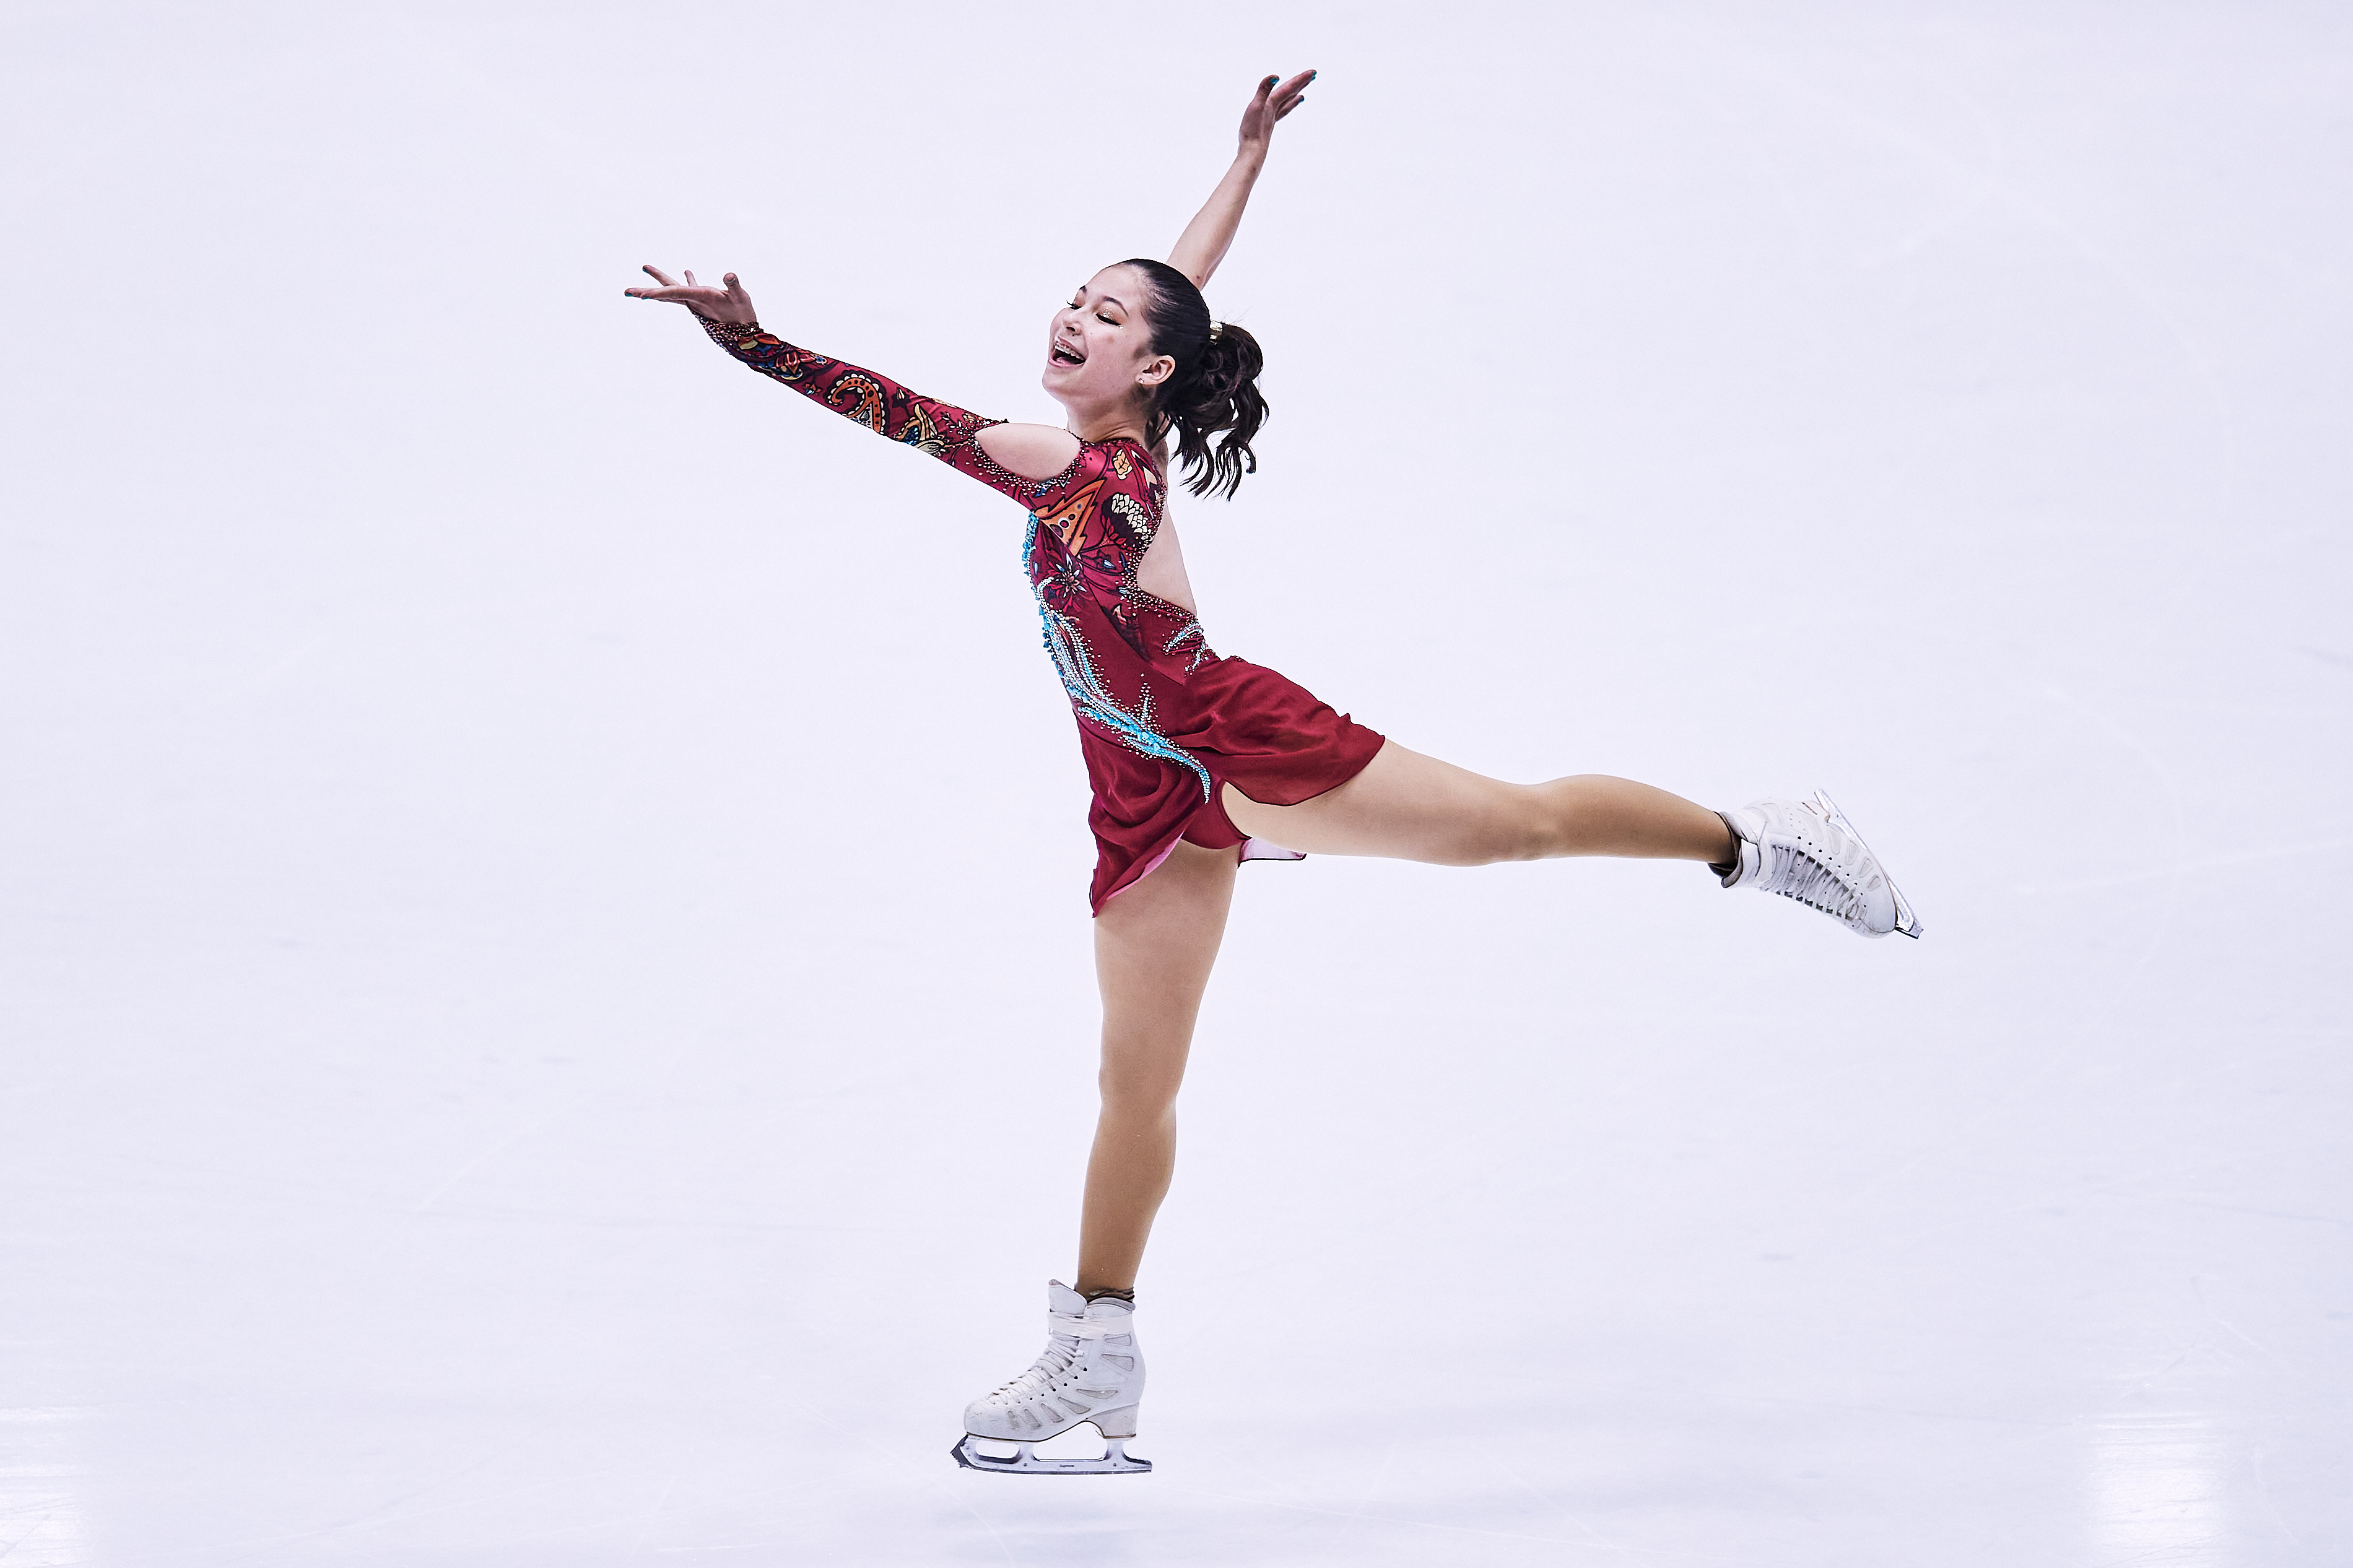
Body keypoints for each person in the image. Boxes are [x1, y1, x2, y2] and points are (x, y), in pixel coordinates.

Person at [625, 71, 1921, 1476]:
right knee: (1136, 1080)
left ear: (1153, 371)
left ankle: (1762, 835)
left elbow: (910, 406)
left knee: (1511, 828)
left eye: (1107, 317)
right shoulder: (1062, 449)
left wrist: (766, 352)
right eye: (1076, 299)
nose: (1076, 319)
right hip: (1139, 789)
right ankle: (1096, 1354)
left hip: (1233, 744)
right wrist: (1240, 164)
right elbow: (1161, 289)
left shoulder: (1088, 465)